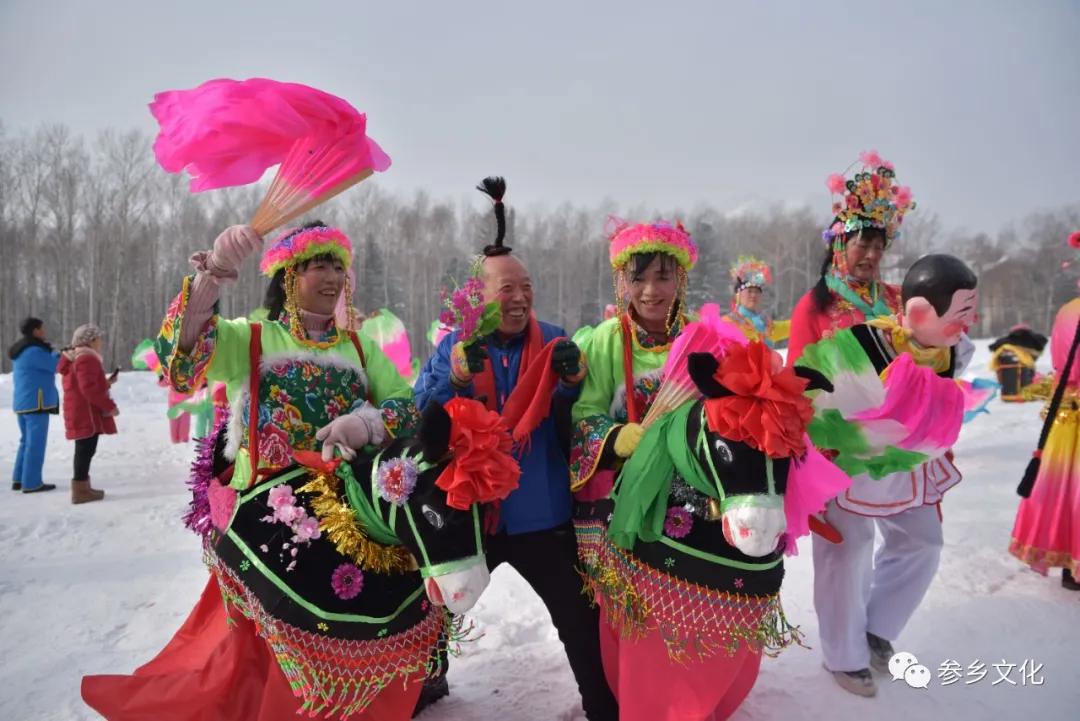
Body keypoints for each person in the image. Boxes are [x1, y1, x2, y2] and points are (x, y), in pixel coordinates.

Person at [81, 221, 420, 720]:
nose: (331, 277)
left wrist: (364, 423)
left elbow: (405, 406)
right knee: (265, 644)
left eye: (338, 267)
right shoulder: (254, 338)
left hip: (347, 513)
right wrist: (211, 279)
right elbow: (182, 361)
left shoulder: (362, 347)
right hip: (271, 517)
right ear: (287, 275)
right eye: (318, 266)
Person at [413, 178, 616, 721]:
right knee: (432, 612)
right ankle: (422, 686)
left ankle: (602, 706)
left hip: (540, 514)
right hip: (469, 517)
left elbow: (578, 420)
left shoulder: (555, 340)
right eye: (507, 289)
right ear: (478, 296)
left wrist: (572, 385)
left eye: (526, 286)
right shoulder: (456, 346)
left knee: (577, 618)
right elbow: (422, 414)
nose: (521, 296)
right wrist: (453, 377)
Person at [797, 253, 980, 697]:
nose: (970, 323)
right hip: (848, 462)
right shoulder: (856, 344)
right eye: (963, 313)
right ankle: (843, 654)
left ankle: (877, 628)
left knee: (922, 541)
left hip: (909, 466)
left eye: (973, 311)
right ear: (917, 313)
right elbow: (809, 389)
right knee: (849, 548)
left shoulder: (958, 349)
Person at [570, 217, 697, 500]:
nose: (650, 291)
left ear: (680, 278)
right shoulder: (607, 338)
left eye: (662, 277)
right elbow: (583, 415)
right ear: (623, 283)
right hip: (624, 485)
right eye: (638, 279)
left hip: (693, 487)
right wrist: (615, 437)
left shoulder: (700, 337)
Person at [787, 151, 912, 364]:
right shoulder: (813, 306)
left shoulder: (901, 298)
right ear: (839, 247)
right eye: (862, 245)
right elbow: (797, 378)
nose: (871, 254)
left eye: (878, 247)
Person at [1010, 294, 1080, 591]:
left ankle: (1069, 565)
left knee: (1065, 492)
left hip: (1064, 416)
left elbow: (1061, 365)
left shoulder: (1067, 310)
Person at [58, 324, 116, 504]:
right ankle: (80, 491)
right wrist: (109, 405)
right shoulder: (86, 359)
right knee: (85, 450)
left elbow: (83, 384)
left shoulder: (76, 357)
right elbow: (88, 389)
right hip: (86, 412)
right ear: (90, 341)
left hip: (79, 410)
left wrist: (105, 383)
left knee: (84, 450)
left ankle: (83, 487)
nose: (101, 342)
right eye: (98, 339)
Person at [9, 316, 60, 493]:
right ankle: (31, 483)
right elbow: (57, 365)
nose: (44, 332)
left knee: (25, 441)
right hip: (36, 402)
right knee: (35, 444)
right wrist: (56, 352)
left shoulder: (21, 349)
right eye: (42, 328)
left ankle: (19, 478)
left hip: (23, 402)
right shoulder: (34, 351)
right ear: (35, 331)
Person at [721, 255, 790, 347]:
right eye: (749, 291)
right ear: (738, 296)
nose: (753, 295)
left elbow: (791, 326)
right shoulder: (728, 322)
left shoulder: (765, 323)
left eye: (757, 292)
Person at [989, 324, 1048, 401]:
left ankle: (1012, 392)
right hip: (1023, 360)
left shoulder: (1006, 342)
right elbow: (1042, 342)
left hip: (1008, 359)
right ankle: (1025, 390)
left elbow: (992, 347)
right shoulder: (1034, 339)